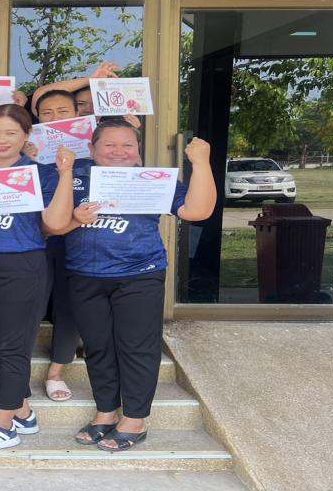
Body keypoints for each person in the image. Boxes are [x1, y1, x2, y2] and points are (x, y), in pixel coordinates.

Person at [52, 120, 215, 452]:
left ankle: (135, 420)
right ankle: (106, 412)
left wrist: (200, 162)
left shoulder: (151, 179)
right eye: (109, 145)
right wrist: (75, 215)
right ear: (92, 148)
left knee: (137, 347)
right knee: (98, 346)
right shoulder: (76, 175)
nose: (119, 152)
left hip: (140, 273)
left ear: (138, 151)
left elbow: (197, 211)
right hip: (85, 274)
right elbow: (52, 223)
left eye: (128, 145)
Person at [0, 104, 77, 454]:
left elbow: (55, 224)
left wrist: (66, 174)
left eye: (11, 133)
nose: (1, 139)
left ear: (26, 135)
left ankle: (2, 425)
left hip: (21, 264)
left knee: (12, 346)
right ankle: (22, 411)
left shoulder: (42, 174)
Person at [31, 90, 88, 402]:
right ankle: (15, 368)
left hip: (79, 240)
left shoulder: (93, 154)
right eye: (47, 113)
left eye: (63, 111)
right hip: (35, 241)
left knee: (69, 305)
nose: (55, 118)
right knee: (31, 302)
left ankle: (56, 372)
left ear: (77, 114)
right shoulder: (28, 154)